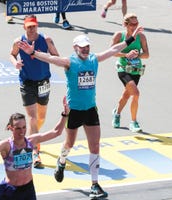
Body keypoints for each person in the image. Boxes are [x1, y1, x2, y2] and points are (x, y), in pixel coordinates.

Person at [18, 25, 144, 199]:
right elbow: (50, 58)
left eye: (87, 46)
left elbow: (114, 49)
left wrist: (131, 38)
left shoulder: (94, 59)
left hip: (91, 109)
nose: (85, 49)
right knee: (69, 144)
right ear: (75, 48)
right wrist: (33, 53)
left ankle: (94, 184)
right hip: (74, 110)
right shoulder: (69, 62)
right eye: (82, 47)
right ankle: (61, 161)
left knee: (95, 146)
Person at [0, 97, 69, 200]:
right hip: (11, 191)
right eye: (18, 128)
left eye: (24, 127)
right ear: (11, 128)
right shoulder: (7, 145)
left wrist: (65, 114)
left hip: (28, 190)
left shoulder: (31, 141)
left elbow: (56, 132)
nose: (22, 131)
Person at [9, 15, 59, 168]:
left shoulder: (46, 39)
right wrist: (15, 63)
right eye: (29, 26)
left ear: (37, 26)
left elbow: (57, 56)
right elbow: (12, 54)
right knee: (32, 117)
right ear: (24, 27)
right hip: (26, 82)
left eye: (34, 26)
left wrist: (41, 55)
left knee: (40, 117)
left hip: (43, 81)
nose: (31, 29)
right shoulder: (18, 41)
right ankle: (35, 152)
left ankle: (33, 134)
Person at [111, 13, 149, 132]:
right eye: (133, 24)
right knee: (136, 93)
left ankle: (116, 114)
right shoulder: (119, 35)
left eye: (137, 23)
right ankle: (133, 122)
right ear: (125, 25)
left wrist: (137, 54)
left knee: (127, 95)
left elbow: (147, 54)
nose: (135, 26)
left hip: (136, 70)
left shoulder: (141, 37)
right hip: (123, 69)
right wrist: (126, 54)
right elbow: (111, 52)